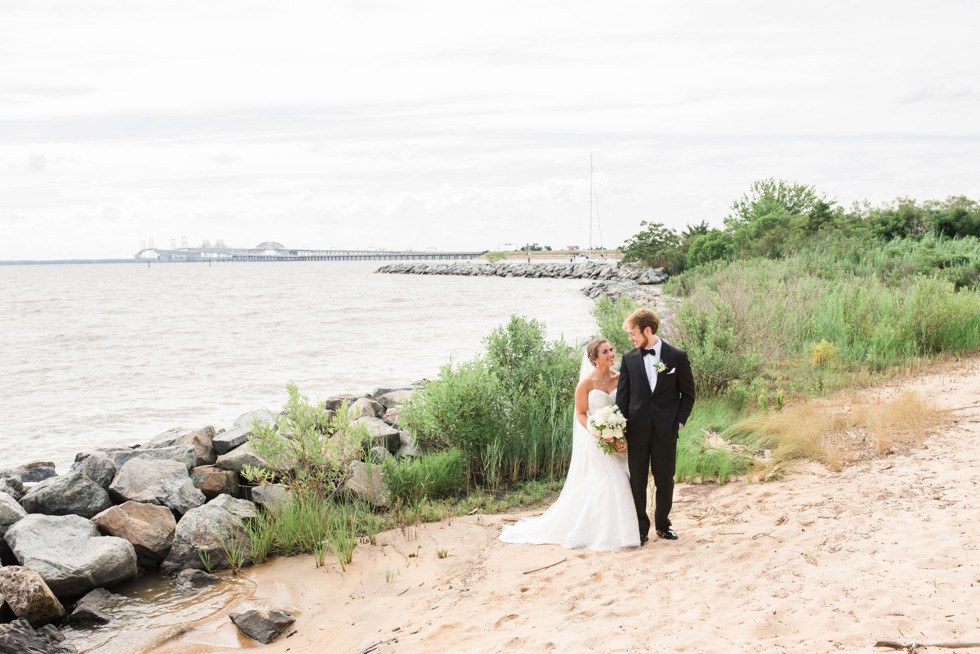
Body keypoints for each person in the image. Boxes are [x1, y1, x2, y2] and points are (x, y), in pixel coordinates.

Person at [499, 338, 640, 550]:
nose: (611, 354)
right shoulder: (585, 384)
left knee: (621, 477)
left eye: (611, 350)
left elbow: (627, 408)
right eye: (605, 352)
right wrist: (599, 431)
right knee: (612, 479)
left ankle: (623, 530)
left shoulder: (621, 378)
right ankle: (615, 534)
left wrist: (620, 434)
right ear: (594, 359)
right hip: (598, 441)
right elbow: (581, 414)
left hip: (620, 438)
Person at [616, 308, 695, 544]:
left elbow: (688, 394)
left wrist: (679, 422)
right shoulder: (629, 358)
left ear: (647, 330)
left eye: (633, 333)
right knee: (637, 482)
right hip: (636, 430)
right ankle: (641, 529)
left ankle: (663, 524)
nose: (630, 338)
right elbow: (623, 397)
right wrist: (620, 429)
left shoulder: (677, 356)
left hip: (665, 431)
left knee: (665, 480)